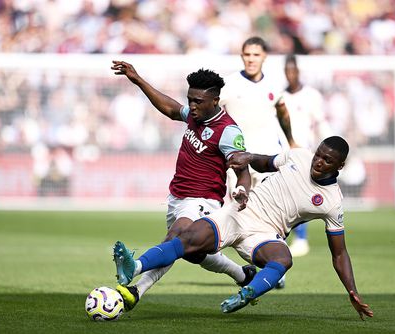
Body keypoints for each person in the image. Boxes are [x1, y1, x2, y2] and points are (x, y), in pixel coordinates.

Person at [112, 136, 374, 319]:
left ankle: (248, 293)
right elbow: (266, 162)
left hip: (266, 233)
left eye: (327, 160)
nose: (318, 162)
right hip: (241, 211)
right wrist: (248, 157)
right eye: (318, 155)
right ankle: (133, 267)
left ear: (340, 166)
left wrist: (352, 290)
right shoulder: (299, 156)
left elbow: (339, 254)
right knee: (188, 238)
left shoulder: (333, 202)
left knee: (283, 259)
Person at [110, 60, 256, 311]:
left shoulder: (228, 131)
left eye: (198, 101)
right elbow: (171, 109)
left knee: (174, 238)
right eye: (190, 99)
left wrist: (242, 190)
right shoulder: (197, 116)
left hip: (203, 200)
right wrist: (139, 80)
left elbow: (243, 169)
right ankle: (243, 275)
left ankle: (136, 283)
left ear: (215, 101)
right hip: (177, 196)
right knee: (192, 253)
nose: (192, 106)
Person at [219, 36, 296, 288]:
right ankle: (263, 263)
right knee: (242, 214)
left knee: (276, 215)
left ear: (264, 57)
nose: (251, 59)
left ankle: (276, 265)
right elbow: (213, 114)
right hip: (238, 163)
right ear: (242, 56)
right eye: (247, 55)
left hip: (268, 160)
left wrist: (292, 141)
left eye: (256, 55)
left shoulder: (274, 85)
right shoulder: (228, 84)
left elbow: (282, 111)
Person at [282, 53, 334, 257]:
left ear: (298, 71)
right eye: (287, 71)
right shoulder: (281, 97)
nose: (291, 75)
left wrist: (332, 146)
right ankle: (291, 237)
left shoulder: (311, 95)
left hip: (307, 153)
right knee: (288, 197)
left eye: (293, 70)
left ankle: (301, 238)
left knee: (301, 196)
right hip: (285, 154)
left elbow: (321, 123)